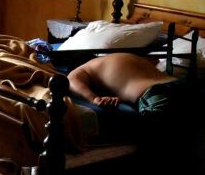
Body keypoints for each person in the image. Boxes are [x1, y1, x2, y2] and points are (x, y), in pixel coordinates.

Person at [67, 52, 196, 123]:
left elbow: (71, 80)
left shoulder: (84, 68)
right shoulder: (124, 55)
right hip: (186, 85)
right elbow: (155, 61)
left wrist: (94, 99)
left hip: (157, 94)